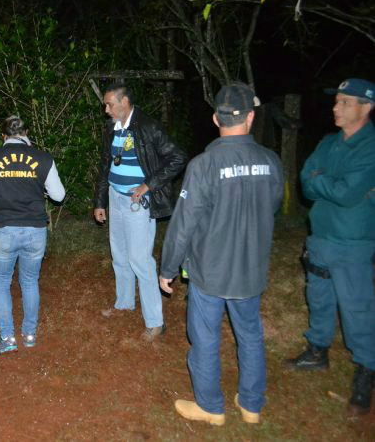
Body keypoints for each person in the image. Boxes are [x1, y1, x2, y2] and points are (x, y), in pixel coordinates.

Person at [159, 82, 284, 426]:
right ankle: (251, 405)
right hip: (251, 270)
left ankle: (211, 407)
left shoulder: (204, 165)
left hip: (210, 271)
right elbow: (272, 206)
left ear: (216, 118)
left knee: (205, 338)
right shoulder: (271, 161)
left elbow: (183, 224)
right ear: (251, 117)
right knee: (250, 335)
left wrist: (168, 267)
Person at [285, 78, 375, 416]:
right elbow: (306, 183)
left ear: (366, 107)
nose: (336, 108)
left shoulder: (370, 147)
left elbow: (346, 192)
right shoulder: (328, 142)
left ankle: (366, 370)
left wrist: (323, 181)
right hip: (321, 235)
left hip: (352, 241)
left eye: (345, 102)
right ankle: (317, 351)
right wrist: (328, 183)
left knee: (357, 306)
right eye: (336, 101)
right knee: (319, 295)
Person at [93, 83, 186, 340]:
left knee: (140, 259)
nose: (106, 109)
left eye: (109, 104)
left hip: (137, 202)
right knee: (119, 254)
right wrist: (100, 201)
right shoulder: (113, 129)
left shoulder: (148, 127)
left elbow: (178, 157)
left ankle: (155, 321)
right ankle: (124, 303)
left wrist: (149, 185)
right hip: (116, 198)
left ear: (124, 102)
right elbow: (105, 166)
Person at [0, 116, 65, 355]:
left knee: (0, 282)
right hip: (35, 230)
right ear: (26, 133)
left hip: (4, 230)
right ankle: (29, 334)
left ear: (3, 136)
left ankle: (7, 337)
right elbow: (58, 196)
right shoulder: (43, 158)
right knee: (29, 281)